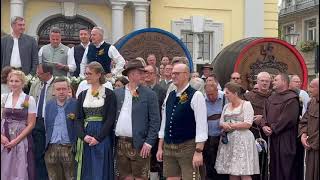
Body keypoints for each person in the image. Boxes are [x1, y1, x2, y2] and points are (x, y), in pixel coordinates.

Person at [157, 63, 208, 180]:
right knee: (171, 178)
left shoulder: (196, 95)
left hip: (188, 146)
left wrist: (199, 151)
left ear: (186, 75)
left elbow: (202, 126)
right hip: (169, 146)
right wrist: (160, 147)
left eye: (177, 73)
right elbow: (164, 122)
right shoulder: (170, 95)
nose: (173, 75)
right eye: (172, 73)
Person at [114, 59, 161, 180]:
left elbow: (155, 121)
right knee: (124, 177)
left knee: (140, 177)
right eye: (139, 73)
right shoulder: (117, 93)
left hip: (140, 144)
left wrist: (149, 142)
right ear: (130, 74)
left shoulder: (149, 94)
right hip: (120, 143)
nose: (143, 75)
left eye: (143, 72)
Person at [75, 61, 117, 180]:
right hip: (87, 135)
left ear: (99, 75)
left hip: (102, 136)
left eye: (89, 73)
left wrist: (98, 138)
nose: (86, 76)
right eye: (86, 73)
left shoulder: (109, 94)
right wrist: (83, 136)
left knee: (100, 169)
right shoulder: (82, 95)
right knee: (87, 170)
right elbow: (78, 118)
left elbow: (110, 118)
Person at [215, 82, 259, 180]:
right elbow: (221, 121)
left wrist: (231, 125)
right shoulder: (226, 106)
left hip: (243, 140)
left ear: (235, 93)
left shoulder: (246, 104)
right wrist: (224, 124)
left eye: (227, 93)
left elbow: (248, 123)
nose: (225, 95)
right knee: (232, 171)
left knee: (244, 172)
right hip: (230, 140)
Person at [261, 73, 300, 180]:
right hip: (272, 138)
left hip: (285, 139)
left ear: (284, 82)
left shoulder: (292, 98)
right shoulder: (271, 98)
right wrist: (264, 125)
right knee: (272, 167)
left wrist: (272, 128)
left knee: (285, 168)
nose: (273, 82)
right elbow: (264, 114)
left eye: (276, 80)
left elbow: (288, 119)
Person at [1, 70, 36, 180]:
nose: (13, 83)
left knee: (20, 167)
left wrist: (16, 140)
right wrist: (1, 137)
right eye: (11, 81)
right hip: (4, 136)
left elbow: (31, 124)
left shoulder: (29, 99)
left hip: (21, 137)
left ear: (22, 83)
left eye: (17, 81)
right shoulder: (3, 97)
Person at [44, 77, 77, 180]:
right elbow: (46, 126)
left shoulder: (76, 104)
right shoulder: (49, 105)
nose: (61, 92)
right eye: (58, 89)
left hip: (69, 148)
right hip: (52, 148)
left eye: (64, 89)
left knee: (71, 177)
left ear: (68, 89)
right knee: (53, 177)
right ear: (54, 91)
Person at [243, 72, 272, 180]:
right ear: (257, 82)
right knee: (254, 161)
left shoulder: (274, 97)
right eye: (262, 81)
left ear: (270, 83)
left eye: (267, 81)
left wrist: (263, 118)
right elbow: (243, 114)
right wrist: (255, 119)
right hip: (252, 133)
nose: (264, 83)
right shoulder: (248, 96)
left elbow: (277, 114)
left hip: (269, 133)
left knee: (267, 162)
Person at [29, 63, 55, 180]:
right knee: (38, 153)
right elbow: (29, 101)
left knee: (52, 154)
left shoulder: (57, 84)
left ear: (48, 74)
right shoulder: (35, 84)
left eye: (40, 74)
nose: (37, 75)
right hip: (37, 121)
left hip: (52, 123)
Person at [144, 64, 166, 180]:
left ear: (155, 75)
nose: (146, 75)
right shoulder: (139, 90)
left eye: (149, 72)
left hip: (156, 133)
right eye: (145, 72)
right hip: (142, 133)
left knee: (155, 164)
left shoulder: (162, 91)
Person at [203, 81, 228, 180]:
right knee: (209, 163)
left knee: (222, 163)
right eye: (208, 94)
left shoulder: (225, 97)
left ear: (217, 90)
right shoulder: (202, 99)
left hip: (222, 136)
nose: (210, 97)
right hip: (208, 136)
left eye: (212, 94)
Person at [299, 78, 319, 180]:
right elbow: (304, 121)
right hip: (311, 149)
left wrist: (311, 141)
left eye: (311, 86)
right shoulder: (311, 103)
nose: (308, 89)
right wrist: (303, 135)